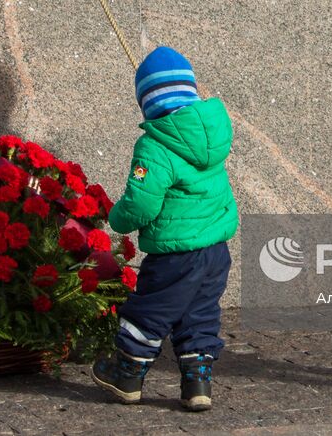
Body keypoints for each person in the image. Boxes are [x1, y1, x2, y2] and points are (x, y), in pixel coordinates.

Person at [92, 46, 238, 412]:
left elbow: (141, 203)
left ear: (147, 101)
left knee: (150, 310)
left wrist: (117, 219)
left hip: (175, 253)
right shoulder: (212, 136)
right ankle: (197, 383)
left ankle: (126, 374)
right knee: (200, 313)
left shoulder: (154, 147)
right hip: (216, 251)